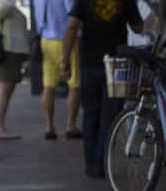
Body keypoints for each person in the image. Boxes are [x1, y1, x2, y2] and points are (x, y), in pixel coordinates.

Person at [60, 0, 143, 178]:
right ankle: (100, 163)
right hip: (117, 64)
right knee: (111, 116)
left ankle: (91, 164)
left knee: (90, 113)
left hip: (89, 64)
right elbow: (138, 27)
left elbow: (71, 26)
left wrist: (64, 60)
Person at [0, 0, 31, 140]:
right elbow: (6, 6)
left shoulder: (1, 6)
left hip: (10, 52)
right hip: (6, 52)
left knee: (5, 89)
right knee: (3, 89)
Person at [35, 0, 81, 141]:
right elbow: (73, 15)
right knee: (75, 85)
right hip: (65, 40)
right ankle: (71, 125)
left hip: (45, 40)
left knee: (49, 85)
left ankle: (49, 127)